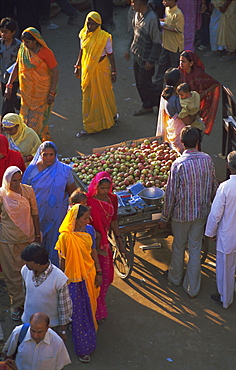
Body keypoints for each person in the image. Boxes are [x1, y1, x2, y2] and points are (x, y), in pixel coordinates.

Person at [158, 126, 217, 298]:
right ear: (198, 142)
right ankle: (193, 288)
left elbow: (170, 194)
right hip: (201, 214)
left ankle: (175, 279)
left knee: (178, 246)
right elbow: (214, 187)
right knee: (195, 248)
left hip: (181, 215)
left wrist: (164, 217)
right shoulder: (207, 160)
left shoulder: (178, 164)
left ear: (182, 143)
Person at [55, 205, 101, 363]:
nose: (88, 221)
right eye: (85, 218)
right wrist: (61, 282)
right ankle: (84, 348)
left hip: (89, 276)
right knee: (79, 313)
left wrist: (99, 272)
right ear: (75, 219)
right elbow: (62, 261)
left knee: (89, 309)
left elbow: (92, 253)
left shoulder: (88, 232)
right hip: (73, 281)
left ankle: (87, 333)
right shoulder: (65, 238)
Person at [205, 151, 236, 308]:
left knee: (225, 268)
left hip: (228, 235)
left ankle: (226, 298)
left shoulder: (225, 187)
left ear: (227, 166)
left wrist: (210, 232)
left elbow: (215, 213)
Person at [22, 141, 76, 266]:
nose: (48, 158)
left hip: (57, 214)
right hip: (38, 214)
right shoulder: (31, 171)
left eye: (51, 155)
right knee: (38, 240)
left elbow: (71, 191)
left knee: (55, 242)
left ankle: (55, 269)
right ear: (40, 155)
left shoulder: (64, 170)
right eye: (45, 155)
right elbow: (25, 192)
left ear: (55, 155)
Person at [0, 166, 40, 321]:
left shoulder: (28, 191)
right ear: (7, 180)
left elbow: (35, 213)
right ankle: (17, 303)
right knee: (12, 273)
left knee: (30, 271)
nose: (16, 184)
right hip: (8, 240)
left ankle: (31, 302)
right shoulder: (2, 195)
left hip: (28, 238)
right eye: (13, 181)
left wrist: (37, 235)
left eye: (19, 180)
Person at [5, 27, 58, 141]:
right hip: (27, 93)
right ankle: (34, 144)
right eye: (24, 41)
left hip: (42, 92)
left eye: (28, 42)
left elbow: (55, 72)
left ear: (36, 41)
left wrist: (52, 93)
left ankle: (35, 147)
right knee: (25, 120)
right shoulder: (23, 49)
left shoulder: (46, 53)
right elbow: (17, 65)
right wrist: (9, 85)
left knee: (36, 123)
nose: (25, 44)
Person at [87, 171, 126, 322]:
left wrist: (120, 241)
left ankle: (99, 305)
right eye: (101, 188)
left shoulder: (113, 199)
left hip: (105, 244)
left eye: (106, 188)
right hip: (93, 245)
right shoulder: (89, 201)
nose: (103, 191)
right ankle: (95, 310)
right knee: (96, 277)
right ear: (95, 186)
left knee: (107, 277)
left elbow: (114, 220)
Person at [74, 11, 118, 137]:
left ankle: (112, 116)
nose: (90, 26)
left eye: (93, 24)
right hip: (88, 70)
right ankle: (90, 126)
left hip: (101, 69)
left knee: (106, 94)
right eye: (88, 23)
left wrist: (114, 71)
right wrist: (77, 66)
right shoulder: (83, 35)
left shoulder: (105, 37)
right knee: (89, 97)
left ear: (99, 25)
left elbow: (110, 54)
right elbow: (82, 51)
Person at [20, 244, 72, 341]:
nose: (25, 264)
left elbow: (65, 307)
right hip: (28, 322)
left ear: (38, 263)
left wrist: (62, 330)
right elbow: (26, 292)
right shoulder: (25, 270)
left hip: (50, 327)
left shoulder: (59, 278)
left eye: (28, 262)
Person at [125, 0, 162, 116]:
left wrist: (151, 60)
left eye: (133, 2)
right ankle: (147, 105)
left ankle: (163, 103)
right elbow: (134, 34)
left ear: (140, 3)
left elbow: (157, 42)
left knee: (145, 83)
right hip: (137, 55)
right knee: (139, 83)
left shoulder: (151, 18)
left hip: (146, 59)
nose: (132, 4)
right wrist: (128, 49)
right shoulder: (137, 15)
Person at [3, 312, 71, 370]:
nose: (35, 335)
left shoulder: (57, 342)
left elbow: (60, 367)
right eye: (32, 331)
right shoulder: (19, 332)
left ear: (47, 328)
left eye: (39, 332)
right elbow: (9, 355)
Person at [156, 68, 197, 152]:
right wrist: (196, 113)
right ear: (179, 80)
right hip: (180, 135)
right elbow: (187, 121)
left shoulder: (165, 94)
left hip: (172, 131)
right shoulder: (177, 101)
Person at [179, 50, 220, 134]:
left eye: (183, 61)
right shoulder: (179, 71)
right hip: (184, 104)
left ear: (191, 63)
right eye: (180, 61)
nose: (181, 63)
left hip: (196, 104)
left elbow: (215, 84)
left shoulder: (198, 73)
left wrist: (203, 94)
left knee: (195, 129)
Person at [155, 0, 184, 90]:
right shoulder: (167, 9)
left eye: (165, 0)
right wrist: (161, 21)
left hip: (175, 46)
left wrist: (164, 27)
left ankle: (177, 88)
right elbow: (167, 20)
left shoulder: (178, 14)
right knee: (161, 65)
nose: (163, 2)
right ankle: (157, 87)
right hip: (166, 44)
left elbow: (179, 30)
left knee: (175, 69)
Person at [0, 18, 21, 117]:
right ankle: (19, 105)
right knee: (9, 100)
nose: (3, 34)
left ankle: (4, 123)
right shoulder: (0, 44)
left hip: (14, 79)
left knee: (6, 103)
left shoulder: (19, 46)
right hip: (2, 78)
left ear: (13, 32)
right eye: (2, 32)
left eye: (6, 32)